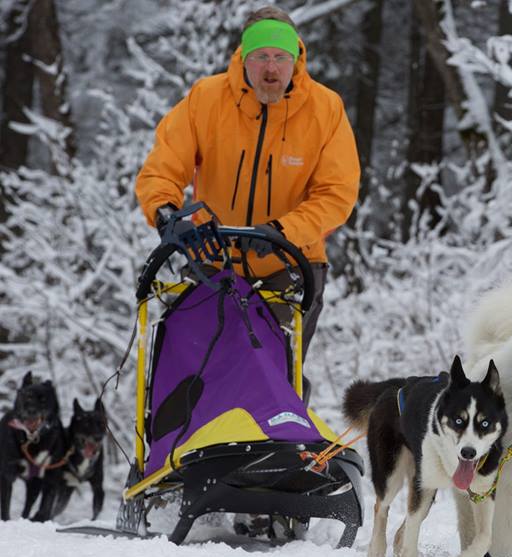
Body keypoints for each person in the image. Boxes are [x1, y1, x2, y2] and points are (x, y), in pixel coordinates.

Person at [135, 5, 360, 386]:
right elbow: (163, 167)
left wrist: (283, 231)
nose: (270, 69)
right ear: (243, 58)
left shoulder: (326, 110)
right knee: (195, 370)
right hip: (211, 259)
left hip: (289, 265)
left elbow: (336, 193)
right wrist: (167, 214)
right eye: (260, 57)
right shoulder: (206, 99)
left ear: (296, 60)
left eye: (279, 58)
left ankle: (280, 438)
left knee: (269, 375)